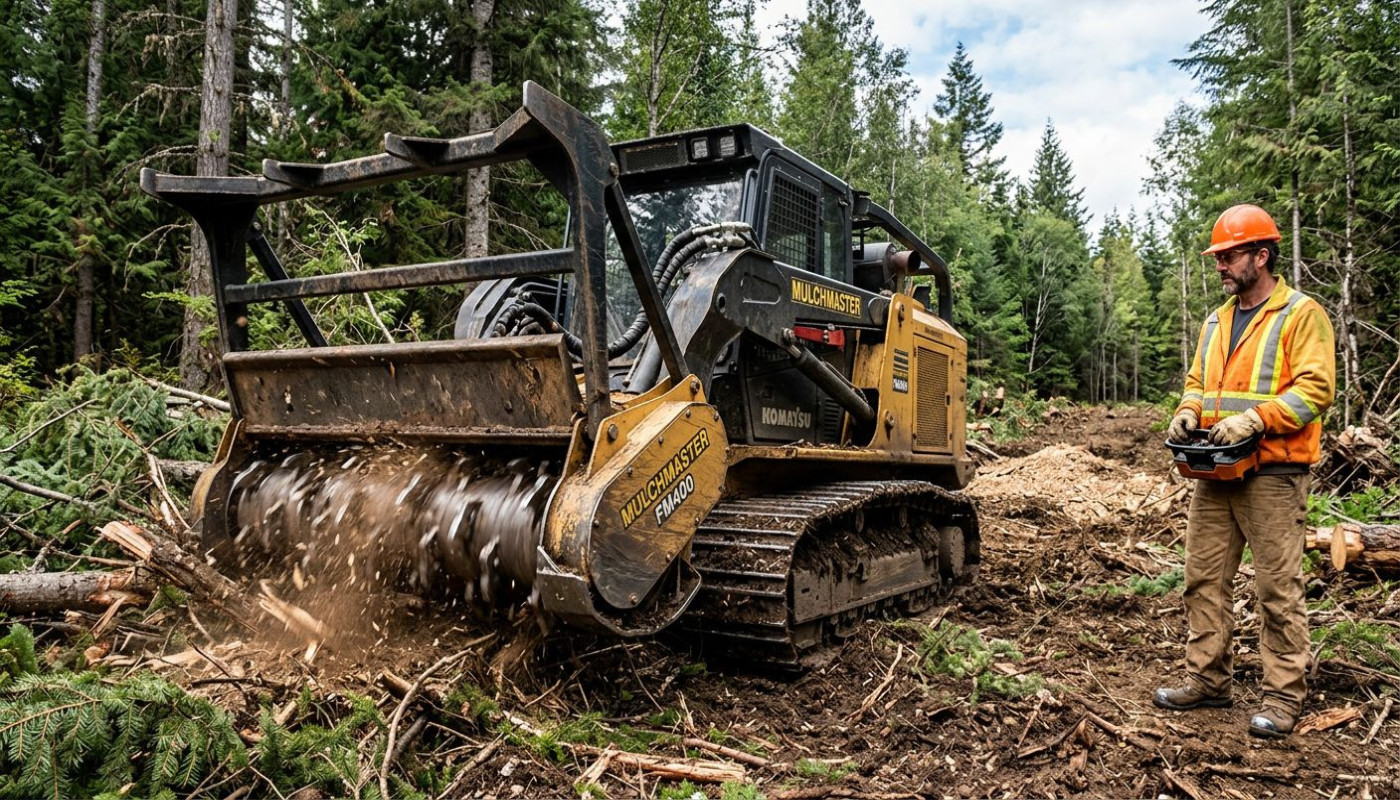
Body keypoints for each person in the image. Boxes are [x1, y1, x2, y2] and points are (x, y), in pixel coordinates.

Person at [1156, 204, 1336, 738]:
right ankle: (1208, 680)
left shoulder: (1301, 315)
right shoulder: (1215, 320)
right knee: (1202, 579)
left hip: (1275, 475)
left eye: (1229, 255)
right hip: (1214, 471)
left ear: (1262, 255)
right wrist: (1188, 411)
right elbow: (1197, 379)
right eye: (1217, 257)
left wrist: (1257, 419)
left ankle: (1284, 696)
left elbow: (1315, 390)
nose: (1220, 265)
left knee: (1277, 588)